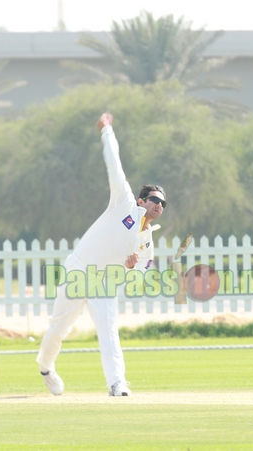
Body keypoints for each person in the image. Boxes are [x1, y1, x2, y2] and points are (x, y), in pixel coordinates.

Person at [37, 113, 165, 397]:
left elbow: (142, 273)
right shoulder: (124, 202)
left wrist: (132, 269)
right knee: (58, 328)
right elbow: (114, 166)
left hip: (104, 282)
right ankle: (45, 366)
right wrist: (107, 131)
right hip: (78, 269)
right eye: (155, 199)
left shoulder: (147, 239)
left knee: (108, 331)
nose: (159, 205)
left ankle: (116, 383)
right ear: (143, 200)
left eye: (163, 203)